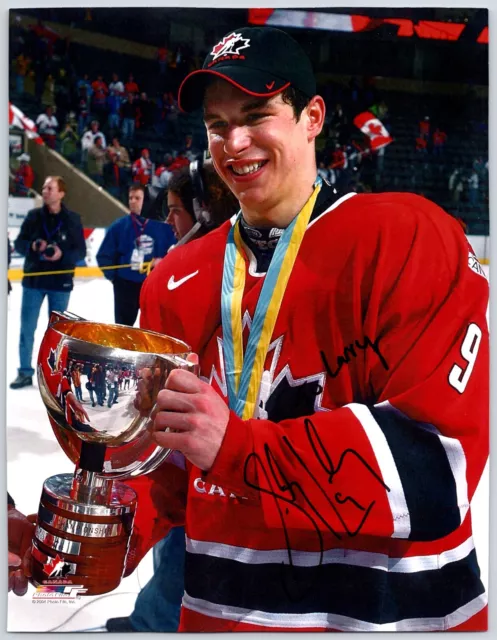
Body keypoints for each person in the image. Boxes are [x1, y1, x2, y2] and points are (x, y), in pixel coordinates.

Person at [124, 26, 487, 633]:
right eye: (216, 124)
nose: (234, 142)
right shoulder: (176, 279)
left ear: (312, 117)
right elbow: (164, 473)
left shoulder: (409, 239)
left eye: (257, 113)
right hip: (223, 619)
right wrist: (92, 534)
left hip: (394, 620)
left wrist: (237, 449)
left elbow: (436, 473)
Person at [106, 155, 239, 634]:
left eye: (177, 209)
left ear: (204, 211)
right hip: (211, 454)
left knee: (184, 546)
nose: (168, 221)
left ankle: (154, 623)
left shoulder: (187, 272)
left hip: (197, 452)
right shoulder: (199, 267)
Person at [10, 176, 86, 389]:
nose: (45, 191)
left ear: (61, 193)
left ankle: (53, 372)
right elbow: (19, 244)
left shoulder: (72, 219)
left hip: (60, 282)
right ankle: (25, 372)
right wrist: (33, 246)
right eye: (43, 187)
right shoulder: (34, 216)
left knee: (57, 332)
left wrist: (62, 254)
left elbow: (80, 251)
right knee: (27, 328)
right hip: (34, 281)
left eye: (50, 188)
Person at [96, 184, 175, 327]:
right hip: (125, 287)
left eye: (137, 198)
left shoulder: (164, 226)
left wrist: (164, 263)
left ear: (146, 201)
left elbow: (177, 251)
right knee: (123, 331)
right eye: (130, 198)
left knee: (153, 329)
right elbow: (103, 256)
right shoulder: (119, 226)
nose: (133, 201)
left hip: (153, 286)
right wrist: (116, 279)